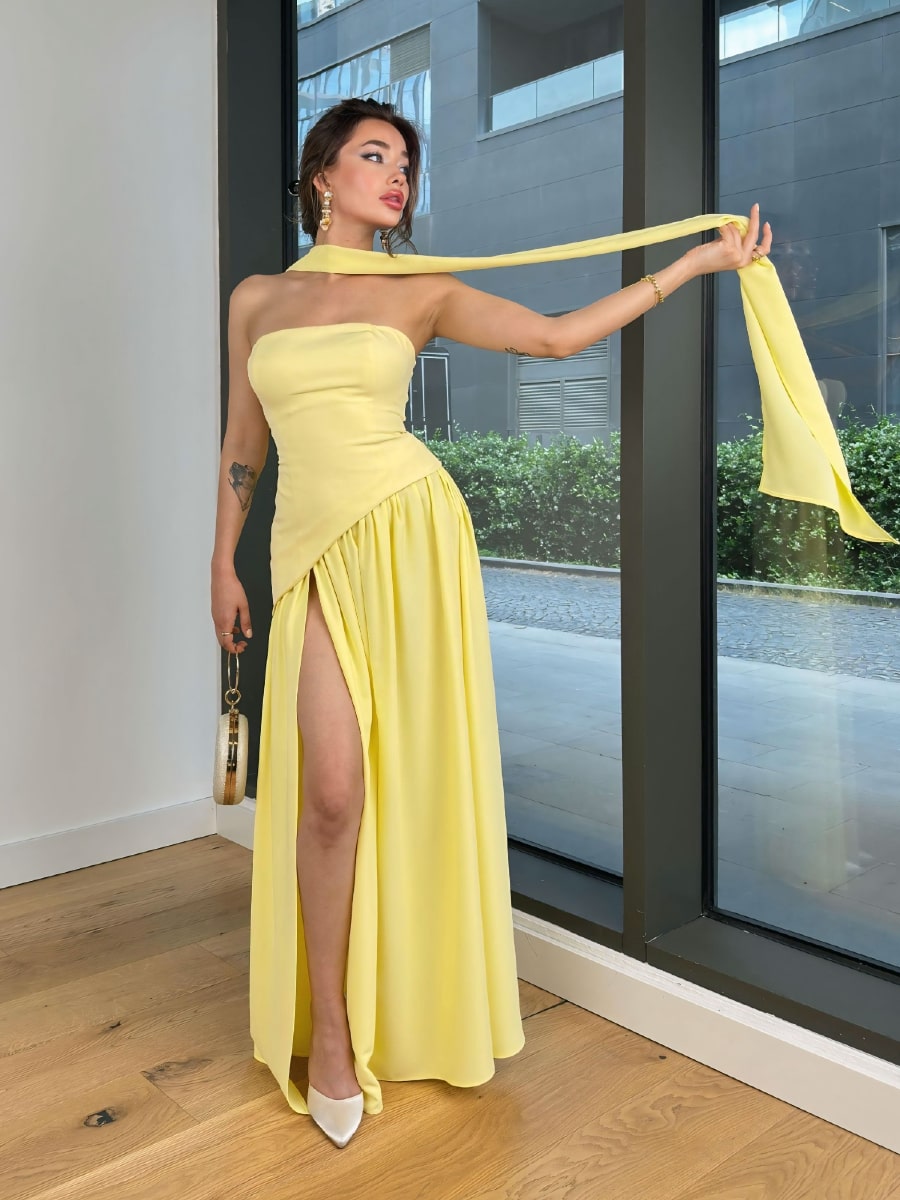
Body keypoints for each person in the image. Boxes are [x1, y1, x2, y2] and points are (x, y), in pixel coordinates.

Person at [210, 96, 772, 1149]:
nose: (397, 175)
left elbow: (554, 339)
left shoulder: (421, 290)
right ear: (322, 175)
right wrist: (220, 559)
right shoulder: (257, 300)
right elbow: (246, 440)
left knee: (397, 782)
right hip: (311, 552)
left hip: (410, 535)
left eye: (407, 164)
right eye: (375, 154)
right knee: (328, 794)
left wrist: (696, 265)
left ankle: (393, 1013)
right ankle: (329, 1032)